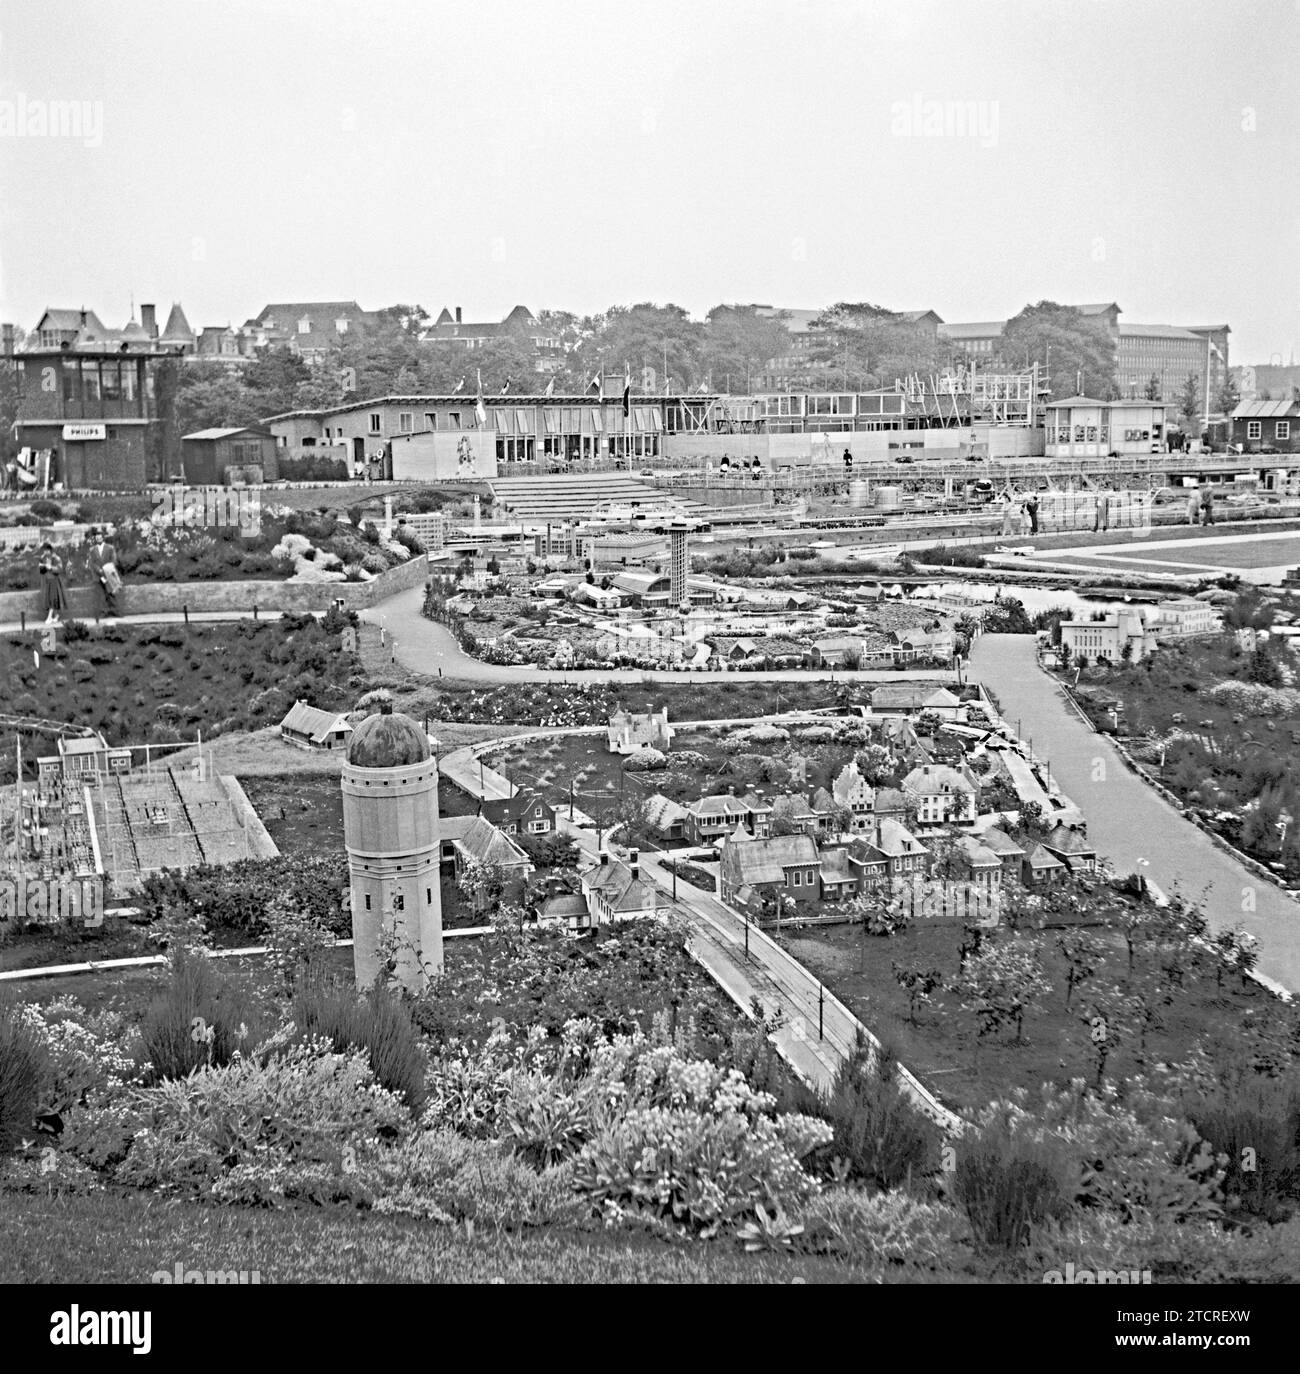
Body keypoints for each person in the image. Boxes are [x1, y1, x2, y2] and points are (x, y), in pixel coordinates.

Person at [86, 527, 121, 617]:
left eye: (100, 537)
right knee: (101, 594)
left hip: (108, 574)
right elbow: (92, 563)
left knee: (111, 592)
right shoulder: (92, 550)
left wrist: (107, 569)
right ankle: (103, 612)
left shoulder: (110, 548)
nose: (98, 539)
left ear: (103, 538)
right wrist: (99, 570)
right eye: (97, 538)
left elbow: (114, 560)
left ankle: (115, 611)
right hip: (98, 575)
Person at [37, 542, 67, 622]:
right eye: (44, 550)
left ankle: (49, 617)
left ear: (50, 550)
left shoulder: (56, 558)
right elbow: (42, 571)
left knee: (52, 598)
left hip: (54, 580)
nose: (45, 552)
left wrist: (51, 568)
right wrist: (41, 567)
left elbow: (60, 569)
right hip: (47, 581)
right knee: (49, 599)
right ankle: (56, 615)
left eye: (47, 550)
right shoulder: (43, 558)